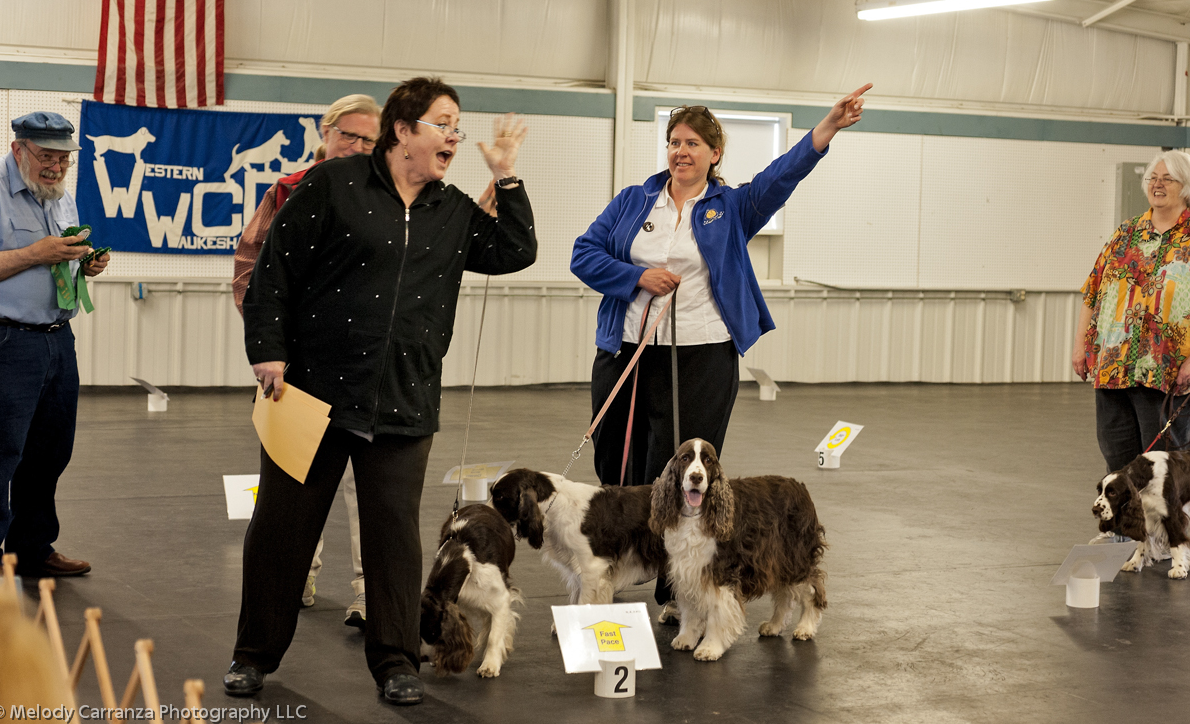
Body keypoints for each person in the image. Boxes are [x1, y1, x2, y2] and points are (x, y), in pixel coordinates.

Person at [226, 77, 536, 705]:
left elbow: (514, 250)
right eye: (442, 122)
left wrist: (507, 178)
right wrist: (269, 351)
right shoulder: (331, 188)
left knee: (394, 540)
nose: (454, 134)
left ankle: (395, 662)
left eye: (457, 124)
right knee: (282, 530)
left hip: (404, 399)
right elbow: (273, 273)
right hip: (309, 396)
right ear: (403, 131)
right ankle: (253, 655)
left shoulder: (450, 211)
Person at [570, 84, 871, 492]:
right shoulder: (631, 201)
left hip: (702, 355)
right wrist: (636, 277)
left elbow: (781, 176)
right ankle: (627, 543)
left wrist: (829, 126)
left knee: (681, 468)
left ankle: (676, 548)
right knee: (614, 456)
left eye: (692, 143)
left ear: (714, 154)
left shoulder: (732, 208)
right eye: (674, 142)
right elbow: (584, 253)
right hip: (625, 349)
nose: (681, 151)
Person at [233, 94, 380, 628]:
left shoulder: (390, 198)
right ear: (325, 132)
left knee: (366, 488)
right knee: (292, 481)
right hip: (296, 371)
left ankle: (369, 591)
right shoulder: (287, 190)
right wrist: (271, 346)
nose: (358, 147)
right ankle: (298, 576)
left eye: (370, 140)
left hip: (367, 372)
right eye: (349, 136)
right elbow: (249, 268)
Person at [0, 112, 109, 577]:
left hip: (56, 340)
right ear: (19, 149)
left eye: (64, 159)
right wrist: (37, 253)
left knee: (50, 451)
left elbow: (61, 257)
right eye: (46, 156)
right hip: (0, 341)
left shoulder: (60, 197)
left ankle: (31, 547)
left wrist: (85, 264)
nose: (56, 167)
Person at [1073, 150, 1190, 478]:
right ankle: (1123, 530)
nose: (1157, 184)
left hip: (1170, 373)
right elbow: (1092, 292)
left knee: (1164, 470)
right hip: (1114, 368)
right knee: (1117, 464)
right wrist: (1080, 346)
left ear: (1188, 187)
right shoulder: (1124, 234)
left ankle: (1163, 531)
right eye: (1152, 178)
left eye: (1167, 179)